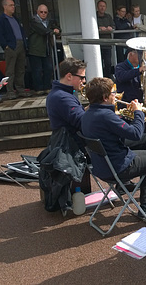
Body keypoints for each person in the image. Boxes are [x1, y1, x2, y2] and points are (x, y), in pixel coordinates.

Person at [81, 77, 146, 217]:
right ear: (105, 97)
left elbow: (114, 130)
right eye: (113, 92)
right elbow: (136, 134)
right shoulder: (106, 115)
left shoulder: (87, 114)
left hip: (103, 166)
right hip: (120, 166)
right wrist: (138, 112)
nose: (116, 95)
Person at [46, 57, 91, 193]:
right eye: (82, 77)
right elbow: (81, 122)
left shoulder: (63, 93)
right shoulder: (62, 97)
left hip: (72, 145)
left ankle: (123, 182)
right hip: (75, 148)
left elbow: (75, 117)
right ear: (69, 76)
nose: (84, 81)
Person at [115, 48, 146, 137]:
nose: (141, 58)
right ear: (131, 54)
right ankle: (142, 138)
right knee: (141, 116)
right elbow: (121, 77)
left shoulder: (141, 68)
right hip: (127, 101)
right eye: (139, 55)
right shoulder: (120, 67)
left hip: (140, 100)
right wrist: (139, 70)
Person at [0, 0, 28, 100]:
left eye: (13, 5)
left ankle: (20, 89)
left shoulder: (15, 18)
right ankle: (10, 91)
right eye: (11, 5)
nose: (13, 7)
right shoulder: (1, 20)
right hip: (11, 46)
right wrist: (6, 46)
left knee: (20, 69)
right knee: (10, 70)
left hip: (20, 45)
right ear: (5, 6)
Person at [27, 4, 60, 95]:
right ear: (37, 12)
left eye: (45, 12)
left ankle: (47, 87)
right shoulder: (34, 21)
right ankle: (38, 89)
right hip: (35, 50)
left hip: (46, 49)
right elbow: (43, 31)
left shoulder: (49, 22)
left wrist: (57, 30)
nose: (43, 14)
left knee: (48, 69)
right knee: (37, 70)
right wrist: (53, 31)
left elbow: (58, 28)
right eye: (41, 12)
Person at [96, 0, 115, 78]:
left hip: (107, 43)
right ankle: (99, 77)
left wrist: (111, 28)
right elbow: (90, 28)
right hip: (97, 44)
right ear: (97, 7)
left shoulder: (108, 16)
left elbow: (114, 26)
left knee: (108, 62)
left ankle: (107, 78)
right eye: (101, 6)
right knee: (98, 62)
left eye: (104, 6)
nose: (102, 8)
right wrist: (99, 29)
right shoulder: (94, 16)